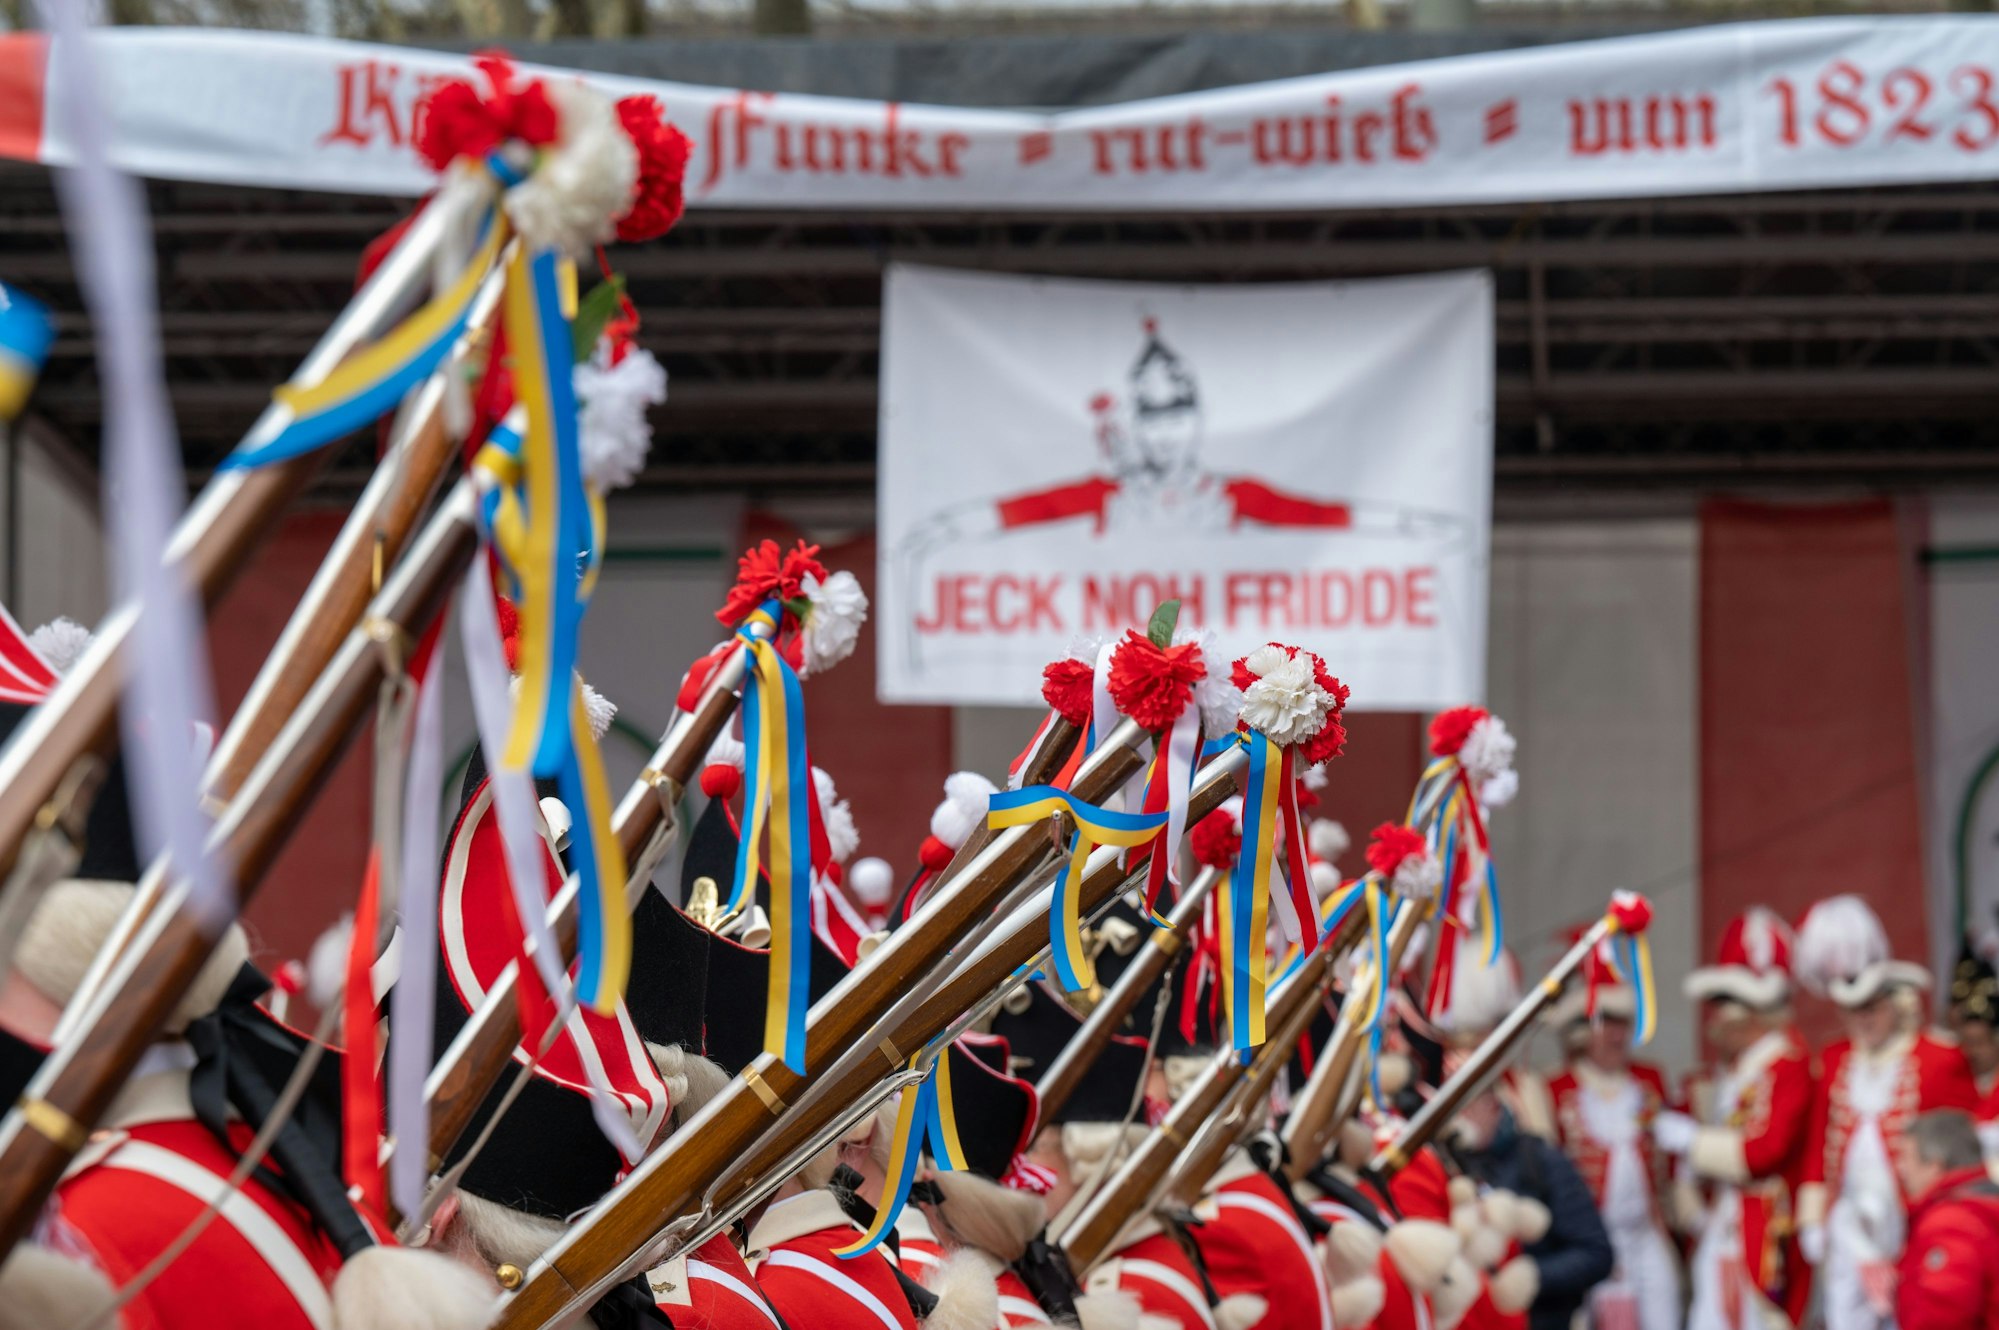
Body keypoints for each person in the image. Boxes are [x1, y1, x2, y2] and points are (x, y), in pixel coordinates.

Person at [1791, 895, 1979, 1330]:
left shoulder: (1935, 1057)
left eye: (1872, 1006)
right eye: (1852, 1010)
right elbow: (1819, 1142)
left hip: (1911, 1224)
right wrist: (1812, 1218)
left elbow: (1963, 1142)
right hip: (1848, 1224)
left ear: (1893, 1002)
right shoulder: (1837, 1059)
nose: (1863, 1019)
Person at [1653, 905, 1815, 1330]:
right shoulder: (1732, 1073)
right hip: (1723, 1225)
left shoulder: (1786, 1067)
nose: (1716, 1023)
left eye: (1724, 1009)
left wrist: (1693, 1143)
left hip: (1764, 1230)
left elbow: (1765, 1151)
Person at [1544, 966, 1681, 1330]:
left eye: (1623, 1024)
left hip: (1647, 1232)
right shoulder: (1558, 1089)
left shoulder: (1649, 1081)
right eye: (1607, 1024)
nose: (1617, 1035)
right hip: (1592, 1238)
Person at [1449, 1088, 1616, 1330]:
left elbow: (1596, 1252)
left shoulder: (1540, 1160)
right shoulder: (1448, 1164)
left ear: (1494, 1106)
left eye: (1469, 1106)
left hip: (1540, 1318)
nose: (1461, 1118)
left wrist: (1533, 1276)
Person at [1891, 1109, 1999, 1330]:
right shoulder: (1981, 1203)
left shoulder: (1951, 1222)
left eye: (1908, 1158)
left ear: (1934, 1165)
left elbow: (1942, 1316)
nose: (1901, 1170)